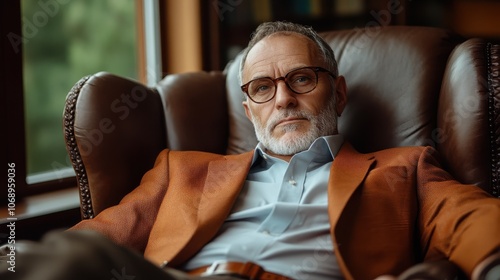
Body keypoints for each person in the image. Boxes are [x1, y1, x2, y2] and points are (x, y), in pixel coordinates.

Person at [2, 21, 500, 280]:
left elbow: (470, 218)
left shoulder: (402, 167)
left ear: (339, 93)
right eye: (262, 87)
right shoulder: (181, 170)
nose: (283, 98)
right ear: (248, 108)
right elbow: (99, 238)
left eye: (302, 79)